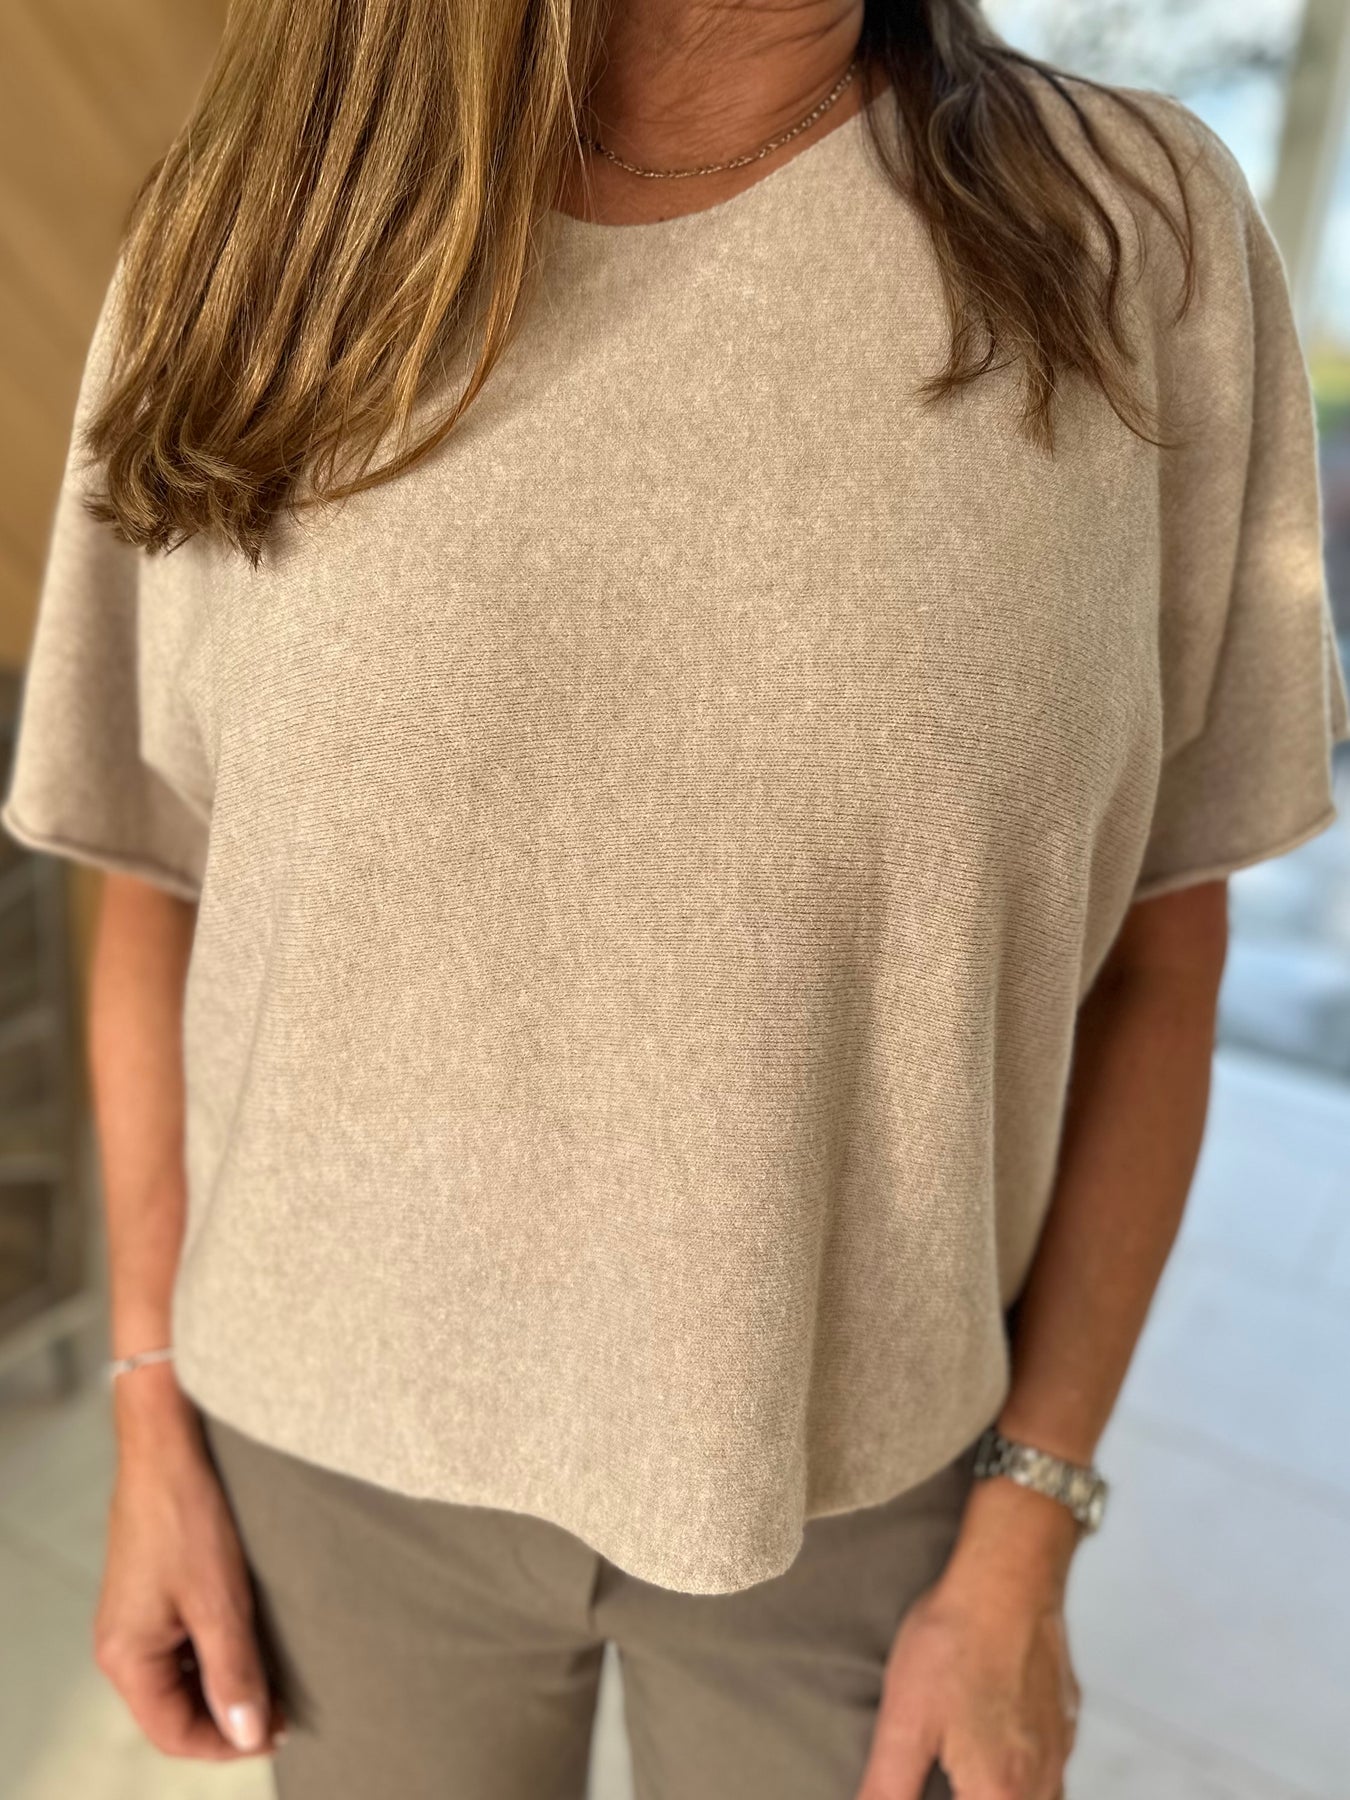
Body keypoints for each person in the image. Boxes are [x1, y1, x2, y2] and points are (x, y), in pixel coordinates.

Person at [4, 1, 1347, 1796]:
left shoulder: (1134, 239)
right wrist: (150, 1410)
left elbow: (1162, 950)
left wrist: (1030, 1518)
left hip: (866, 1489)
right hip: (322, 1467)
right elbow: (157, 875)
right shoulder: (250, 234)